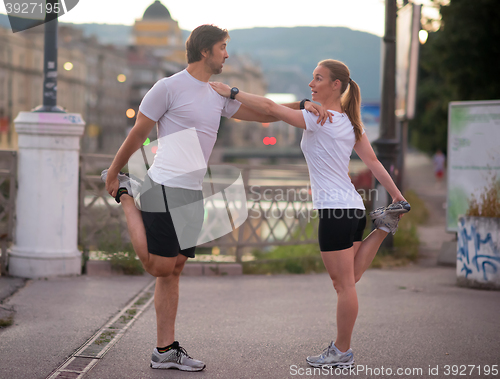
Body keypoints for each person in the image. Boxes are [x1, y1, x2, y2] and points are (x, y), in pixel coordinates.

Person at [101, 24, 331, 372]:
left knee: (174, 269)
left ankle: (165, 350)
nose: (227, 54)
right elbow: (138, 134)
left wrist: (301, 106)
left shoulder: (217, 94)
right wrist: (115, 171)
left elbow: (265, 114)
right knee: (159, 265)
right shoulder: (168, 87)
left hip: (192, 191)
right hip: (162, 184)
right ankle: (128, 196)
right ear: (206, 50)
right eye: (223, 47)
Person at [210, 59, 411, 368]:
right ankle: (383, 226)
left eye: (318, 79)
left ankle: (341, 352)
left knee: (344, 285)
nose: (311, 84)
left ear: (335, 86)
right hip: (354, 209)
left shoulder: (318, 117)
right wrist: (397, 196)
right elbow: (373, 162)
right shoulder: (349, 122)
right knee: (351, 278)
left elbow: (270, 108)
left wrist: (232, 91)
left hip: (335, 210)